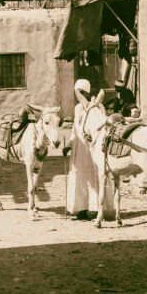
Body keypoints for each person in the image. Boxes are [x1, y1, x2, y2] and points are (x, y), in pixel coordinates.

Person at [64, 78, 106, 219]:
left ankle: (94, 209)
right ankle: (80, 208)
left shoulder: (97, 107)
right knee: (79, 176)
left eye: (81, 92)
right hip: (79, 147)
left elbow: (101, 125)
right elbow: (75, 128)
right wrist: (69, 144)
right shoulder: (77, 108)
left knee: (94, 176)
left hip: (92, 147)